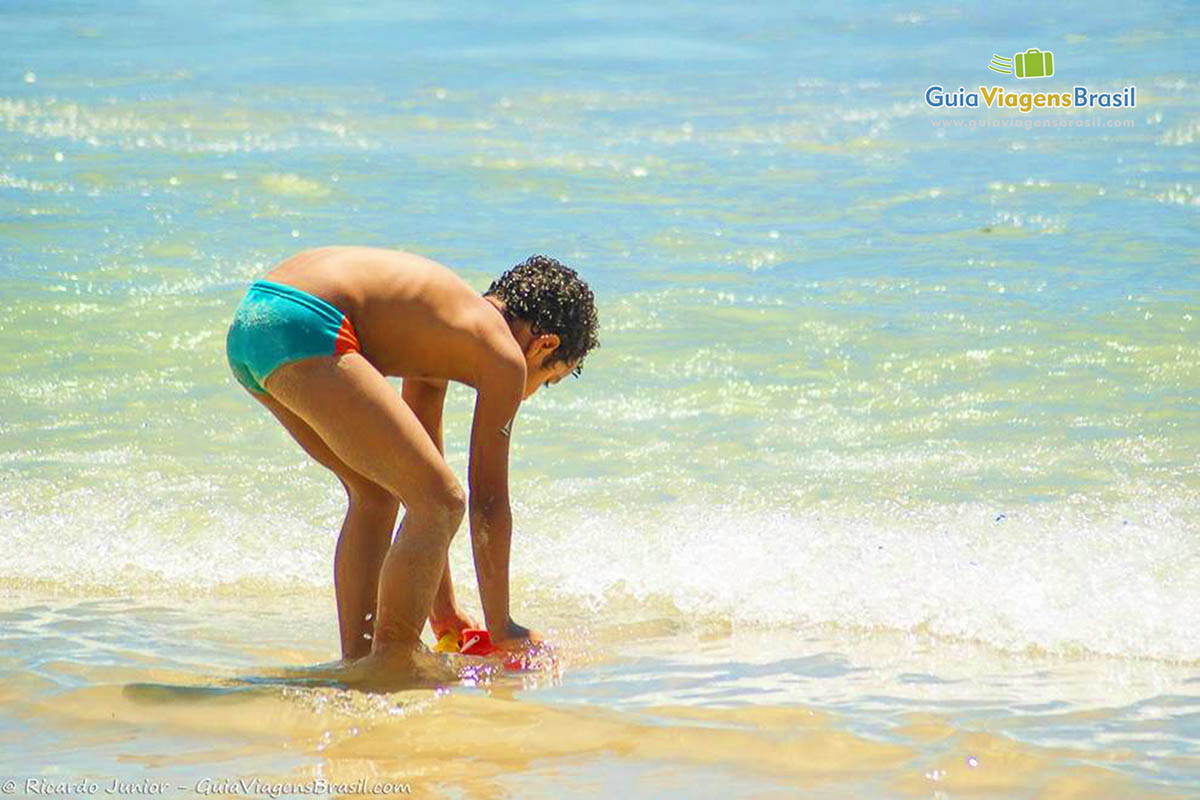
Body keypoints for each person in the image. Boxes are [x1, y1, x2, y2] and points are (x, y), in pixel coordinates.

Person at [225, 246, 599, 679]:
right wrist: (503, 627)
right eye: (548, 379)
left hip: (255, 323)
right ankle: (394, 660)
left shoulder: (442, 329)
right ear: (544, 345)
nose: (529, 390)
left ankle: (361, 663)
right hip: (309, 322)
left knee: (377, 494)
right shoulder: (505, 356)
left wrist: (445, 612)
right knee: (444, 501)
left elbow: (417, 483)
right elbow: (487, 501)